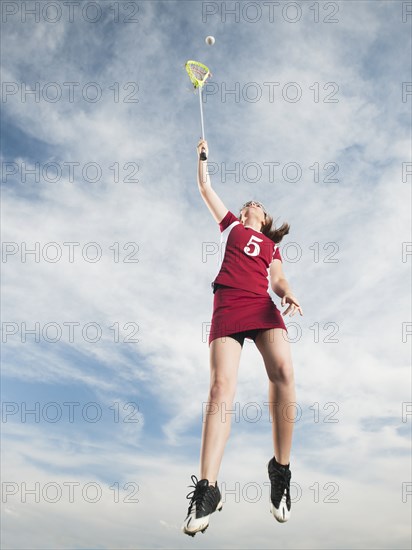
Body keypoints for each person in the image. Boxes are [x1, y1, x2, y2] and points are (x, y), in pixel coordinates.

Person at [182, 139, 303, 537]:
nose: (252, 203)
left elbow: (278, 279)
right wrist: (203, 158)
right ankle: (207, 489)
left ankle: (280, 472)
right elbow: (205, 188)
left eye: (259, 204)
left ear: (266, 220)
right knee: (220, 387)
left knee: (283, 370)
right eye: (249, 201)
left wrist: (286, 293)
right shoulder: (231, 226)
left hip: (260, 304)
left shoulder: (270, 246)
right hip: (229, 302)